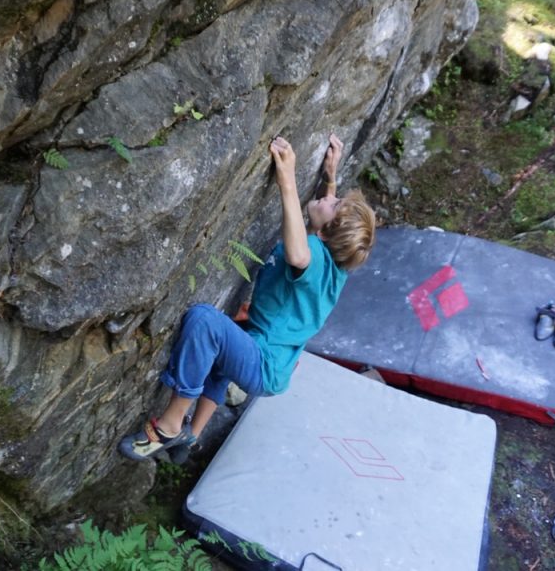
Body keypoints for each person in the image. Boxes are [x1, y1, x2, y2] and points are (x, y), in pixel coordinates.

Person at [118, 133, 376, 461]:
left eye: (334, 203)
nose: (330, 198)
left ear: (324, 234)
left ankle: (170, 425)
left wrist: (287, 179)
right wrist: (329, 178)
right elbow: (329, 227)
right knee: (225, 347)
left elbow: (299, 255)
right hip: (273, 367)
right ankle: (191, 436)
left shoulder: (312, 251)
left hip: (263, 363)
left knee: (205, 323)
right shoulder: (337, 267)